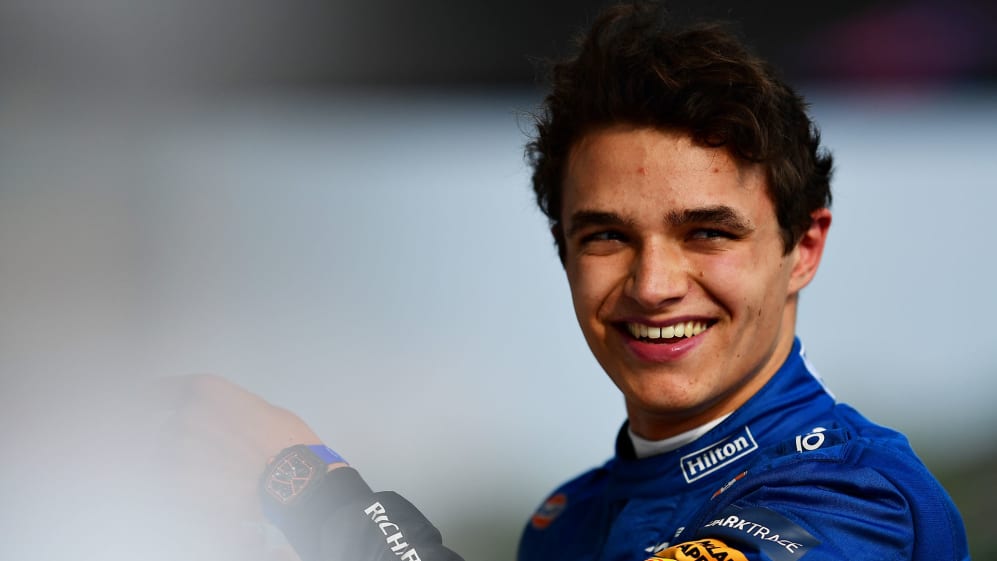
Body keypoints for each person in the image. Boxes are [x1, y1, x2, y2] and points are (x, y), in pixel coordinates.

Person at [164, 2, 970, 560]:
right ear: (564, 252)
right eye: (607, 236)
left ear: (803, 248)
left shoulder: (857, 497)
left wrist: (307, 485)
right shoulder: (564, 520)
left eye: (707, 232)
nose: (653, 283)